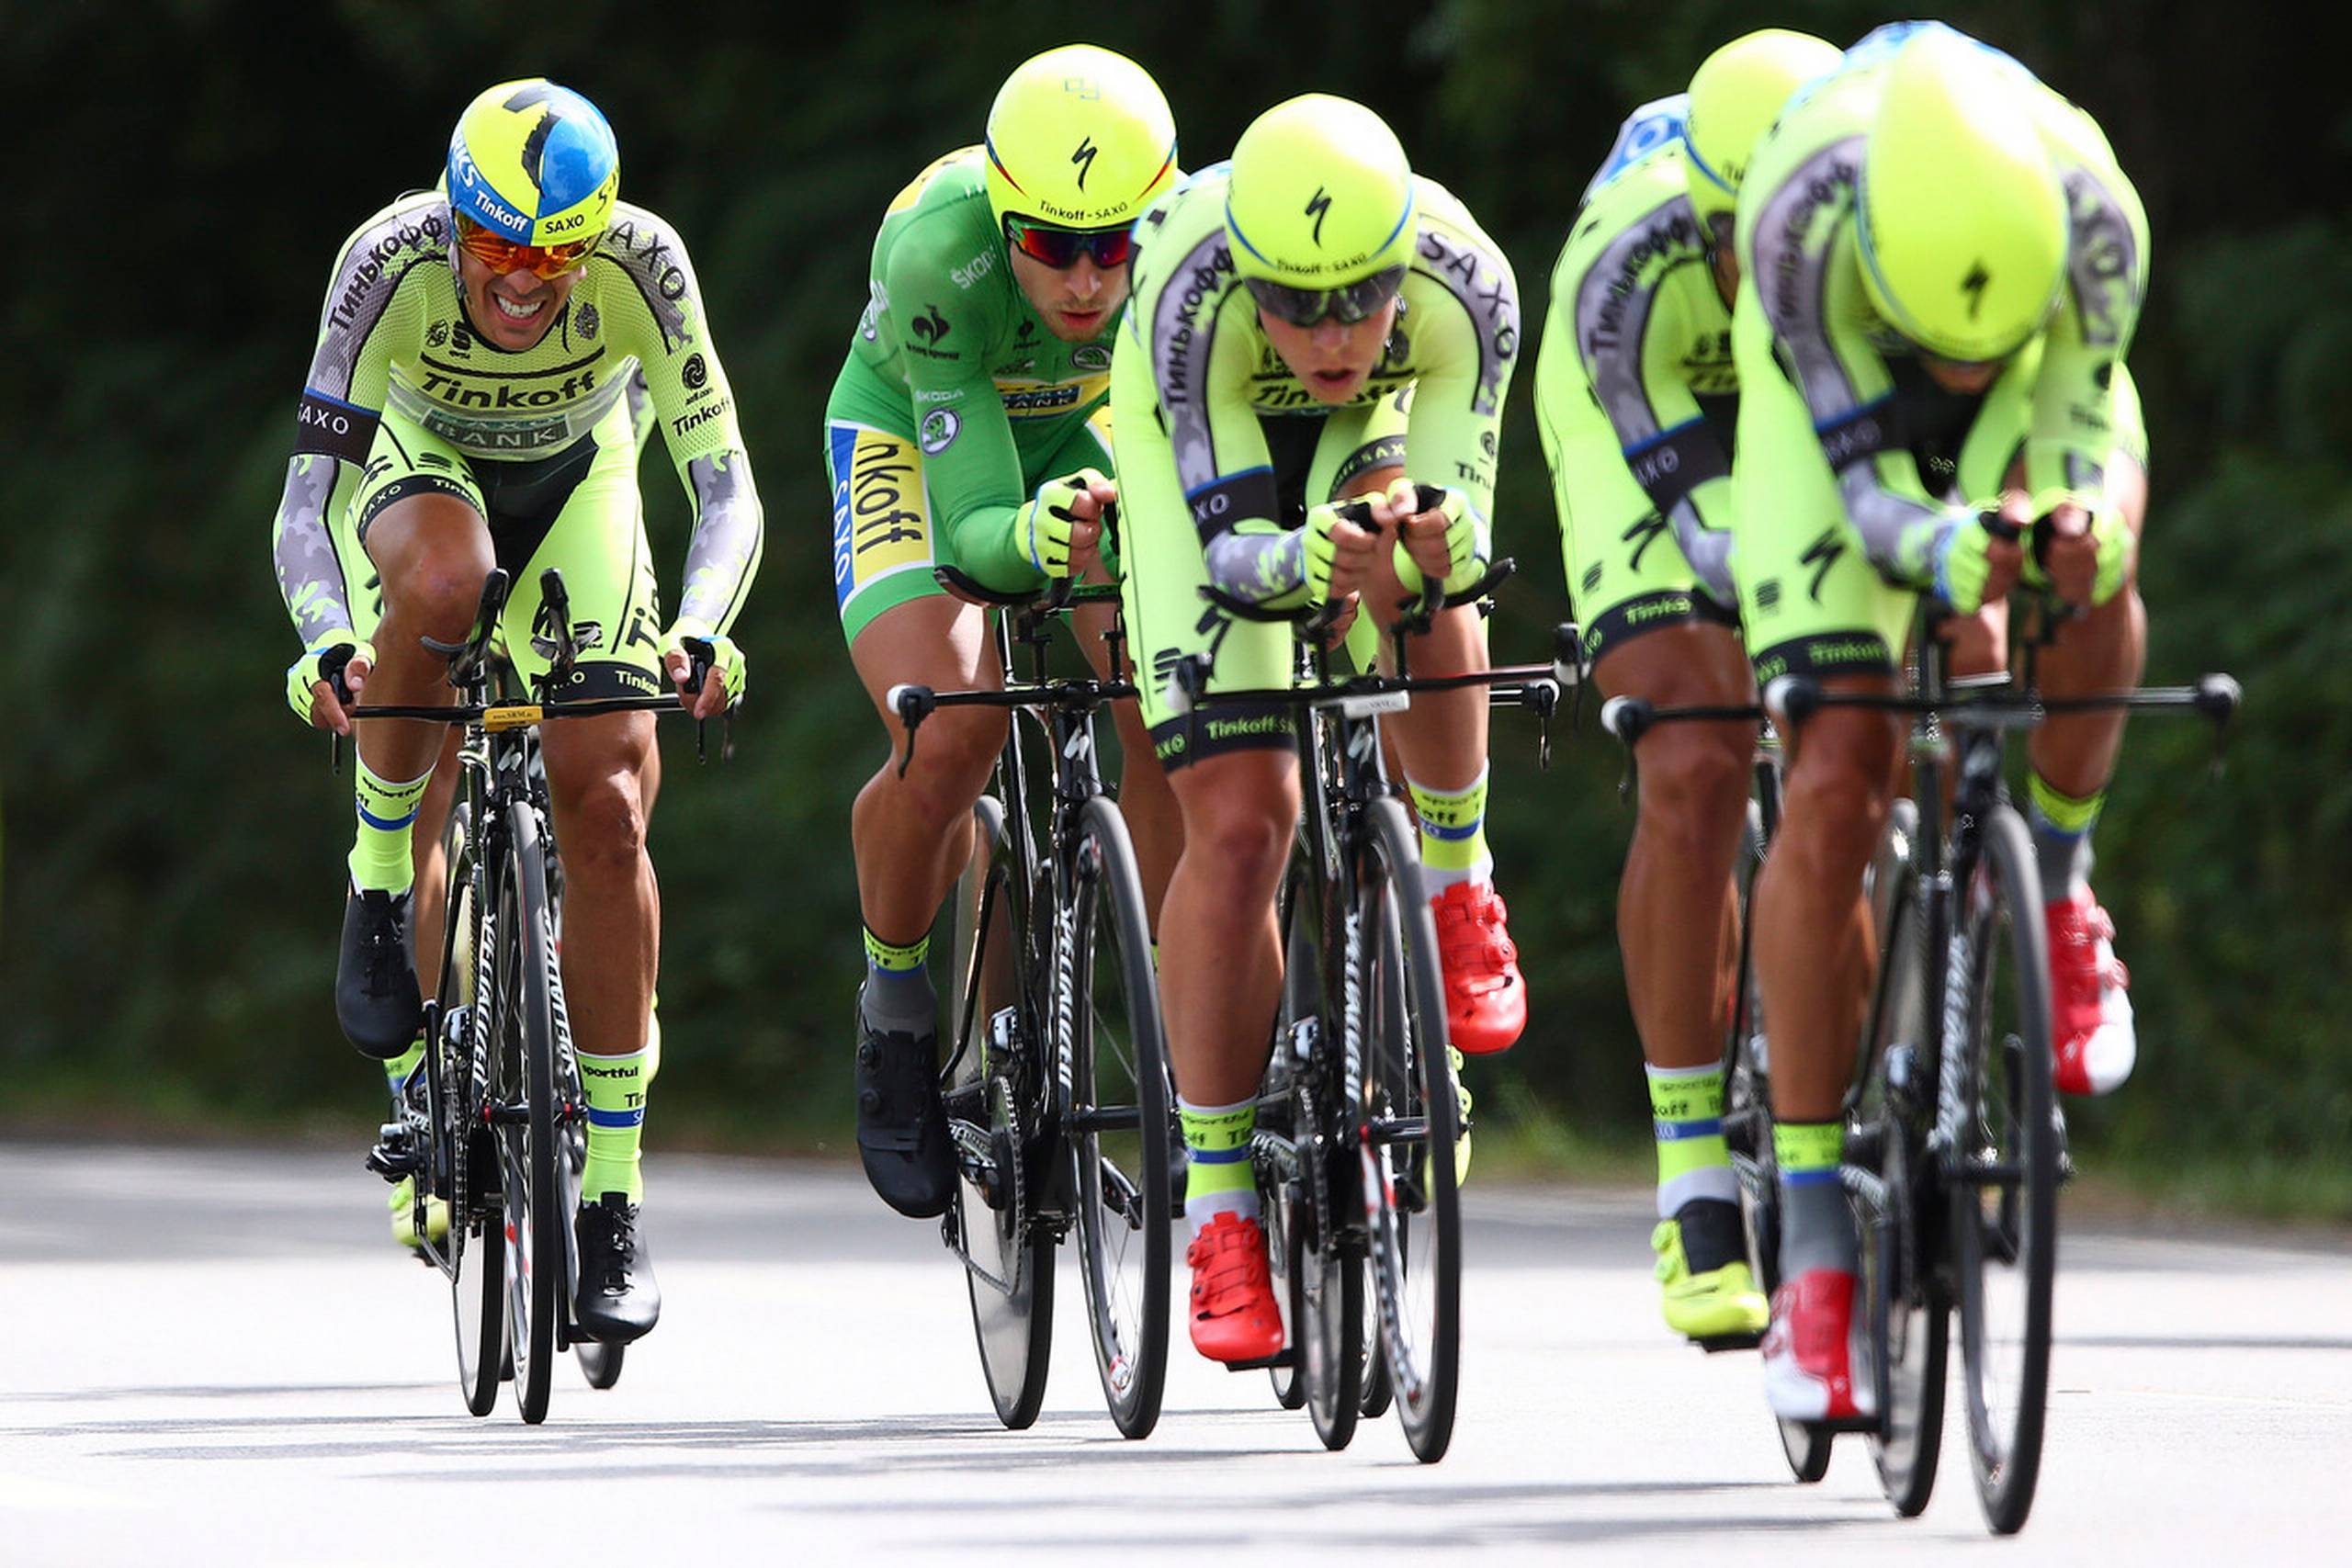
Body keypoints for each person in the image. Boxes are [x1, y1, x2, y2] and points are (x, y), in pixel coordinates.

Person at [273, 79, 761, 1343]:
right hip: (424, 468)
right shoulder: (389, 260)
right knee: (440, 582)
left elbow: (723, 488)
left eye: (558, 249)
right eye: (495, 242)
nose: (525, 276)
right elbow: (307, 500)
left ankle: (610, 1200)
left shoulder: (647, 262)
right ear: (453, 215)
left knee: (607, 811)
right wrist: (326, 636)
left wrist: (701, 625)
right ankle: (383, 873)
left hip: (583, 481)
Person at [1728, 22, 2151, 1419]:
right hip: (1830, 407)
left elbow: (2086, 439)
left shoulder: (2098, 226)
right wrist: (1940, 541)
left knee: (2098, 586)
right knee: (1841, 761)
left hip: (2040, 362)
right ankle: (1815, 1243)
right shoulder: (1798, 223)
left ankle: (2064, 892)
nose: (1958, 377)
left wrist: (2069, 528)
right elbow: (1867, 503)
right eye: (1942, 352)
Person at [1113, 93, 1523, 1361]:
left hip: (1362, 450)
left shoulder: (1467, 289)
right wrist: (1301, 558)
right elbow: (1233, 559)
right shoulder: (1190, 288)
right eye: (1299, 302)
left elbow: (1463, 532)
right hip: (1212, 473)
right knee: (1241, 822)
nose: (1334, 332)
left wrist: (1419, 545)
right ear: (1254, 278)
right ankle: (1224, 1204)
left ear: (1406, 264)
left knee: (1420, 562)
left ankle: (1455, 885)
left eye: (1362, 297)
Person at [827, 43, 1183, 1221]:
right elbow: (977, 523)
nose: (1085, 280)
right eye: (1050, 245)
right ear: (1003, 218)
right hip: (918, 447)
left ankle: (1167, 991)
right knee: (955, 728)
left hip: (1073, 436)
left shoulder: (1189, 251)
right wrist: (1038, 541)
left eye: (1111, 245)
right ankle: (895, 1006)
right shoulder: (938, 250)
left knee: (1175, 699)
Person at [1532, 28, 1841, 1348]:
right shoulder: (1632, 251)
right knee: (1701, 749)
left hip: (1818, 396)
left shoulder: (1883, 216)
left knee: (1853, 732)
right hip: (1642, 406)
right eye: (1731, 226)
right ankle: (1693, 1173)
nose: (1747, 252)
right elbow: (1706, 527)